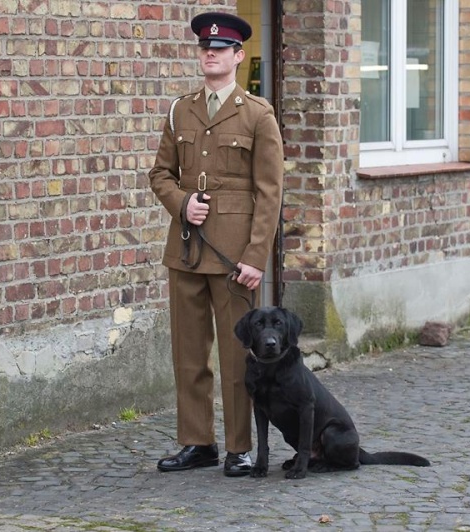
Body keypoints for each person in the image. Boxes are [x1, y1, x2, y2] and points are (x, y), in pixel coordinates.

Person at [149, 11, 284, 477]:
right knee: (188, 355)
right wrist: (181, 203)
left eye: (221, 48)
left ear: (238, 56)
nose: (211, 53)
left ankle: (240, 448)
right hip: (186, 249)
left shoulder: (257, 115)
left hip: (233, 259)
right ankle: (196, 442)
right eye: (206, 48)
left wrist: (255, 258)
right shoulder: (179, 110)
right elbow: (160, 174)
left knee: (234, 358)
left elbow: (270, 193)